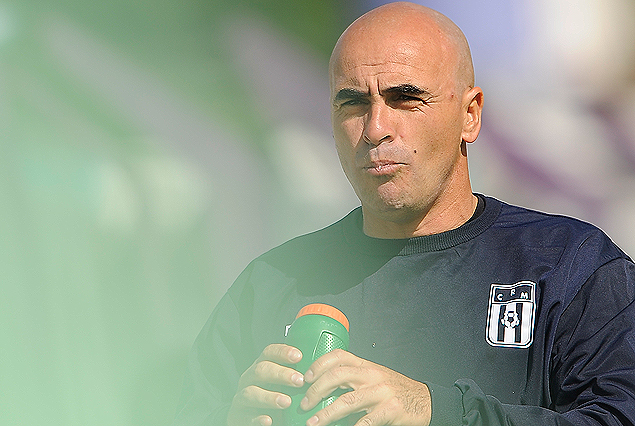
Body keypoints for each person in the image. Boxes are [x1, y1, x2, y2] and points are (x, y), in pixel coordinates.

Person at [173, 2, 635, 426]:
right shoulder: (271, 282)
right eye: (353, 102)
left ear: (470, 115)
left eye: (405, 98)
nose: (376, 128)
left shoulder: (571, 267)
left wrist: (437, 411)